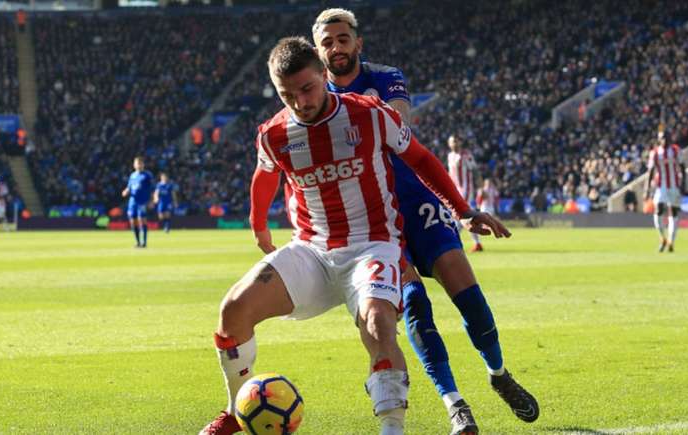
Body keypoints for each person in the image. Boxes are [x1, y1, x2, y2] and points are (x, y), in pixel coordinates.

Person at [198, 36, 508, 435]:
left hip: (373, 245)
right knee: (232, 311)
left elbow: (421, 158)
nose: (300, 103)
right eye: (286, 95)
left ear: (325, 76)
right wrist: (259, 224)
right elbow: (264, 177)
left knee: (378, 324)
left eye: (307, 89)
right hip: (312, 250)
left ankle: (392, 428)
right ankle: (235, 412)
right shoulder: (273, 134)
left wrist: (462, 210)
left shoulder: (370, 114)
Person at [312, 8, 538, 435]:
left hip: (416, 199)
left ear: (357, 43)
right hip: (373, 218)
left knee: (467, 294)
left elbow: (397, 126)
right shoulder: (313, 95)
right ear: (318, 50)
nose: (336, 48)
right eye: (327, 42)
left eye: (343, 39)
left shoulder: (385, 77)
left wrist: (461, 209)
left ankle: (499, 373)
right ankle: (455, 404)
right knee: (414, 305)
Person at [643, 131, 685, 252]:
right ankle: (662, 238)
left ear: (670, 138)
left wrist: (683, 184)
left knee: (673, 212)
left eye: (666, 137)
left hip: (674, 186)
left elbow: (682, 168)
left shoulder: (676, 150)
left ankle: (671, 241)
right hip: (661, 186)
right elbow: (650, 171)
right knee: (658, 210)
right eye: (662, 138)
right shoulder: (655, 153)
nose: (664, 140)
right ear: (659, 140)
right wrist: (646, 189)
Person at [448, 134, 483, 252]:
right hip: (454, 189)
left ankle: (452, 241)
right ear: (449, 144)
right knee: (465, 217)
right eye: (453, 142)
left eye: (457, 141)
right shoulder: (450, 156)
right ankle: (477, 243)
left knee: (459, 215)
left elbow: (475, 170)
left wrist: (481, 188)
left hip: (466, 190)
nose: (455, 144)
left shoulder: (466, 155)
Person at [121, 156, 153, 248]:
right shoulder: (132, 175)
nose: (139, 165)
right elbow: (129, 186)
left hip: (142, 201)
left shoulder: (147, 175)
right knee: (132, 221)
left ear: (143, 164)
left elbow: (152, 188)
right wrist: (126, 191)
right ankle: (138, 242)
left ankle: (144, 242)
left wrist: (151, 200)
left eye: (140, 163)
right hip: (132, 201)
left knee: (142, 220)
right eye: (137, 163)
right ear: (134, 165)